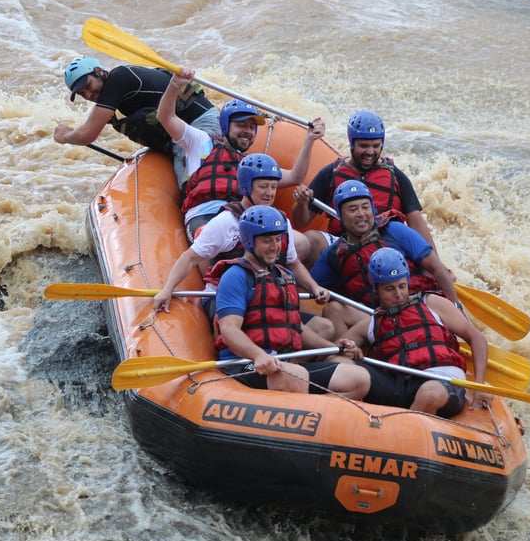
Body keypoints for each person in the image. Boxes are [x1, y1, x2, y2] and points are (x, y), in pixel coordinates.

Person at [152, 154, 333, 340]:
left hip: (265, 297)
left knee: (325, 328)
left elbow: (293, 263)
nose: (270, 193)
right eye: (263, 186)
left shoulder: (281, 222)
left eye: (273, 187)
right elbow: (190, 258)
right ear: (246, 186)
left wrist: (314, 287)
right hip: (227, 300)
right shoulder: (226, 222)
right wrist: (168, 288)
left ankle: (292, 362)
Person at [213, 206, 370, 398]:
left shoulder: (285, 275)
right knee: (295, 375)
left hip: (284, 363)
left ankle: (318, 416)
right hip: (246, 364)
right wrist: (257, 354)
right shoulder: (235, 276)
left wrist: (335, 346)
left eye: (278, 239)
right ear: (248, 241)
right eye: (267, 240)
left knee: (358, 379)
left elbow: (295, 327)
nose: (275, 246)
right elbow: (229, 329)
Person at [157, 68, 326, 241]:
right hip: (205, 217)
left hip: (243, 218)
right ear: (225, 125)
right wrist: (175, 84)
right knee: (213, 239)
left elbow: (296, 177)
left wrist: (309, 141)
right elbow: (166, 117)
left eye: (252, 127)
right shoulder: (201, 142)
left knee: (301, 243)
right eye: (241, 125)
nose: (247, 131)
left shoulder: (252, 164)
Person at [339, 248, 492, 417]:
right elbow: (334, 352)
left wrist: (480, 385)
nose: (398, 294)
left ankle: (402, 432)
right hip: (398, 387)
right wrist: (351, 350)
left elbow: (477, 338)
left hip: (442, 381)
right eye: (390, 288)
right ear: (377, 289)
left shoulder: (431, 303)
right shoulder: (371, 323)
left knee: (429, 393)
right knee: (348, 371)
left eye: (402, 286)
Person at [310, 180, 459, 335]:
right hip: (378, 318)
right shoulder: (334, 254)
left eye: (365, 207)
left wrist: (456, 307)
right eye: (353, 209)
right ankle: (354, 354)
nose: (361, 214)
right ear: (340, 215)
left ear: (373, 209)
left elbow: (436, 268)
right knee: (333, 309)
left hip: (417, 308)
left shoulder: (394, 230)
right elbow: (307, 285)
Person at [290, 109, 438, 263]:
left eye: (376, 146)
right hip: (343, 243)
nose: (370, 152)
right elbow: (300, 222)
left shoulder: (396, 176)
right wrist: (302, 204)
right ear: (352, 143)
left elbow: (417, 222)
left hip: (385, 244)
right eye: (364, 145)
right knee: (311, 239)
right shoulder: (330, 174)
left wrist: (437, 264)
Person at [53, 57, 220, 186]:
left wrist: (64, 136)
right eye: (82, 93)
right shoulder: (117, 94)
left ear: (99, 71)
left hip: (201, 125)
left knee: (193, 188)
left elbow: (86, 135)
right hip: (183, 134)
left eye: (88, 86)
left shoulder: (119, 78)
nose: (88, 95)